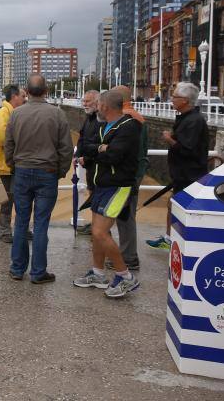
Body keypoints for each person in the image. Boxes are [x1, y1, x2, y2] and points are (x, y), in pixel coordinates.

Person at [4, 74, 73, 284]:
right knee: (41, 223)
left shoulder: (16, 114)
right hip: (47, 173)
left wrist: (13, 165)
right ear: (46, 91)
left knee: (21, 222)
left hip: (22, 172)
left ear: (26, 91)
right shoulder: (57, 114)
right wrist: (60, 171)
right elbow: (66, 149)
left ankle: (17, 269)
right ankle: (38, 272)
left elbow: (9, 145)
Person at [73, 90, 142, 298]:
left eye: (99, 105)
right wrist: (100, 149)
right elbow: (87, 146)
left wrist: (101, 151)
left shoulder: (128, 127)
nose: (96, 108)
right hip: (101, 185)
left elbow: (114, 155)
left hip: (117, 186)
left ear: (105, 107)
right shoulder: (104, 126)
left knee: (100, 233)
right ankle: (98, 273)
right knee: (97, 232)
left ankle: (125, 277)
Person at [147, 82, 209, 250]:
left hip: (189, 175)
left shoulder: (194, 121)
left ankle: (176, 241)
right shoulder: (187, 118)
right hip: (182, 174)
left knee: (180, 207)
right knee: (173, 205)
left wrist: (169, 139)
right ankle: (169, 238)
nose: (172, 100)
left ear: (185, 100)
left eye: (175, 97)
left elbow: (188, 149)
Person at [110, 85, 148, 271]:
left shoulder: (125, 118)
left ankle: (128, 257)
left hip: (128, 174)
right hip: (137, 171)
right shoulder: (138, 116)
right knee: (126, 213)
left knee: (125, 216)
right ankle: (127, 254)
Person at [0, 84, 27, 243]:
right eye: (23, 96)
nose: (25, 99)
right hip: (4, 166)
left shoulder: (11, 113)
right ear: (14, 96)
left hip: (9, 164)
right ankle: (4, 230)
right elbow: (1, 138)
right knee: (8, 199)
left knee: (14, 198)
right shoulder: (4, 113)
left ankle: (10, 227)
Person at [74, 90, 102, 235]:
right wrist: (77, 155)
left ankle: (98, 229)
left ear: (97, 102)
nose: (84, 104)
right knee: (92, 195)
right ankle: (94, 226)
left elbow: (100, 144)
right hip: (89, 166)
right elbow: (82, 138)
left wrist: (87, 158)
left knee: (97, 198)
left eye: (88, 101)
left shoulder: (101, 120)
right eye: (84, 101)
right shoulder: (88, 118)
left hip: (98, 167)